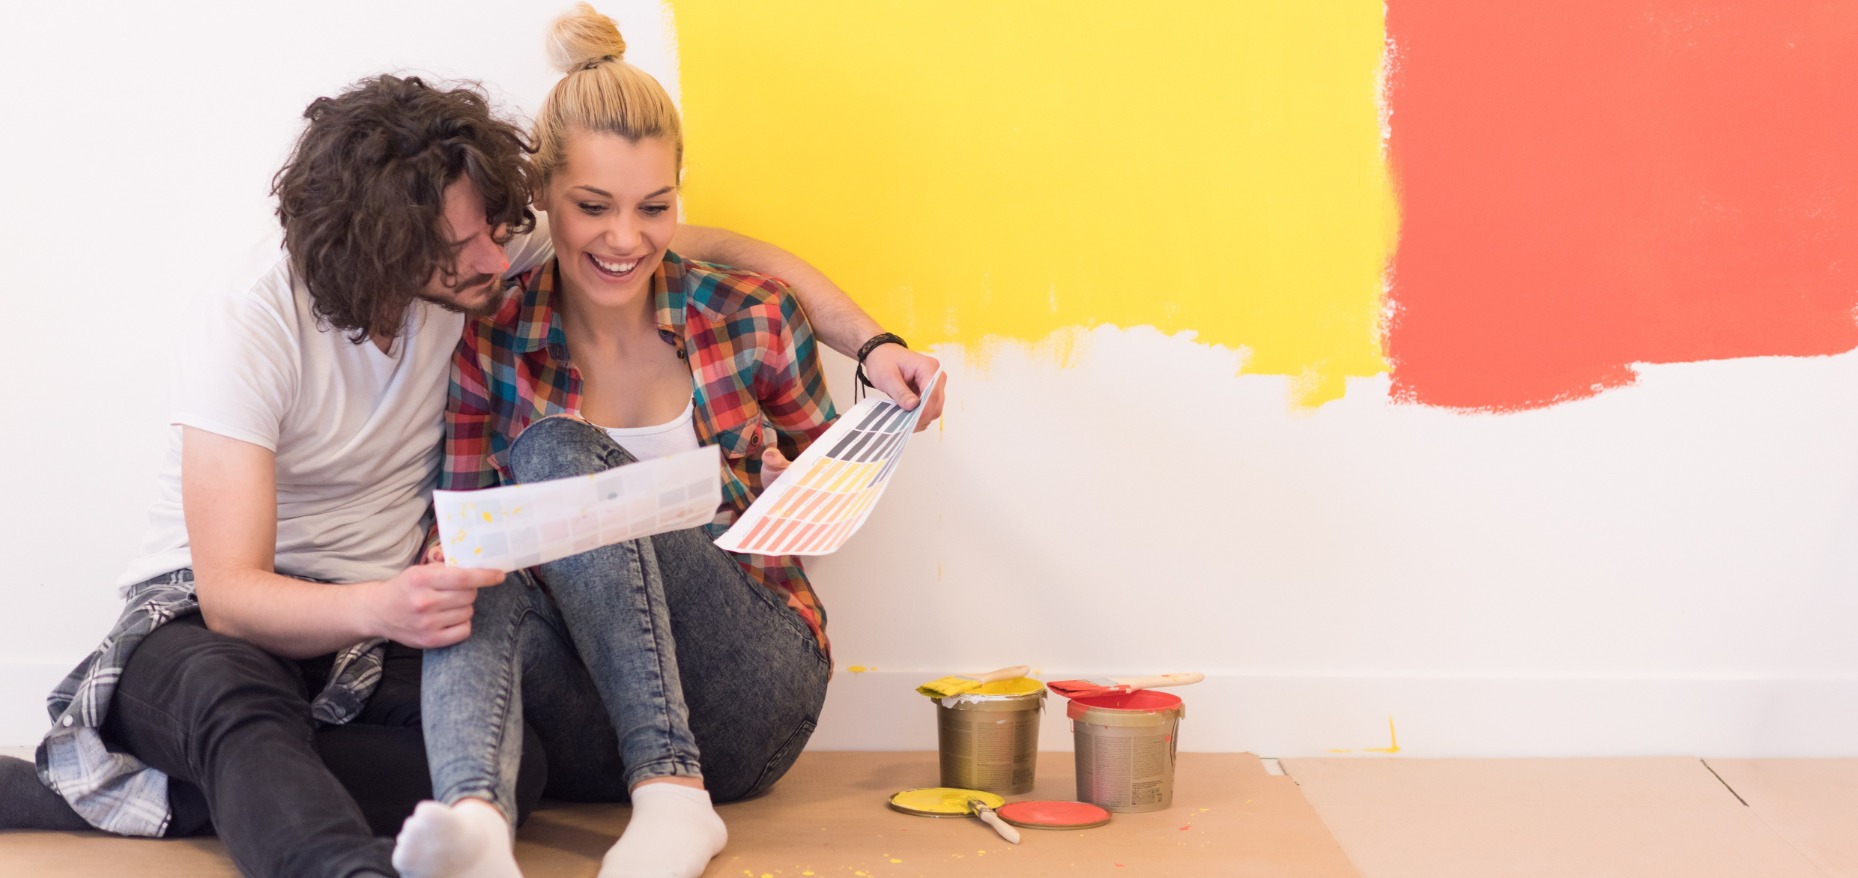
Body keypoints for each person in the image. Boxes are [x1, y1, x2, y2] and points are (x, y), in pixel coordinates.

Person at [3, 70, 940, 878]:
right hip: (233, 621)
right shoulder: (272, 325)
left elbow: (705, 250)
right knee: (287, 687)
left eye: (497, 229)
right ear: (386, 259)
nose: (497, 257)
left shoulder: (507, 281)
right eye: (463, 251)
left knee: (534, 563)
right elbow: (235, 594)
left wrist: (870, 348)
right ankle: (394, 848)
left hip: (537, 654)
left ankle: (647, 795)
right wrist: (394, 600)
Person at [388, 8, 879, 878]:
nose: (625, 240)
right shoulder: (493, 334)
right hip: (577, 723)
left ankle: (675, 798)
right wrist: (446, 562)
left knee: (552, 454)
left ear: (679, 195)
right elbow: (453, 534)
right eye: (592, 207)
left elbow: (835, 506)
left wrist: (791, 496)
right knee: (471, 557)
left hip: (746, 698)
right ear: (542, 199)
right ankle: (476, 827)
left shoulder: (752, 318)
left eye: (655, 208)